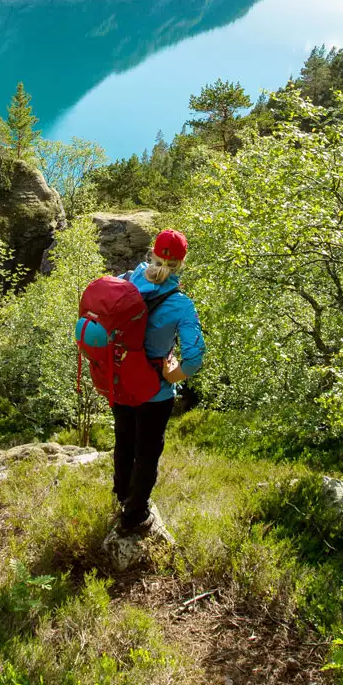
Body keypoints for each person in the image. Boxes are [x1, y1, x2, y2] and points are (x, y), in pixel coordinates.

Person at [110, 228, 204, 536]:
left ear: (152, 252)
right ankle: (135, 513)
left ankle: (122, 495)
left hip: (121, 383)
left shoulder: (125, 281)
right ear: (181, 263)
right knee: (147, 452)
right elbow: (194, 357)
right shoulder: (181, 304)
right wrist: (172, 375)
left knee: (124, 442)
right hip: (154, 392)